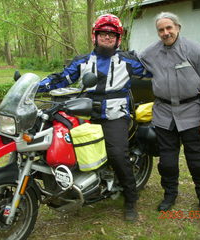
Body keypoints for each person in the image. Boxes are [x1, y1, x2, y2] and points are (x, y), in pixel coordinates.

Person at [38, 14, 149, 222]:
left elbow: (154, 71)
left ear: (118, 38)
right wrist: (36, 86)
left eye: (112, 34)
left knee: (117, 153)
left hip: (115, 116)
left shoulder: (128, 61)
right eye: (103, 34)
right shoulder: (83, 61)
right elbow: (63, 78)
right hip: (86, 113)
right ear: (95, 36)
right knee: (63, 142)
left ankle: (131, 199)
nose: (107, 37)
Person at [139, 12, 200, 216]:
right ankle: (169, 195)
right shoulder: (150, 53)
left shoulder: (195, 50)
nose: (166, 33)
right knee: (167, 162)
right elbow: (132, 62)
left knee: (196, 161)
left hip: (191, 112)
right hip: (164, 114)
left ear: (178, 27)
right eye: (161, 30)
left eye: (169, 28)